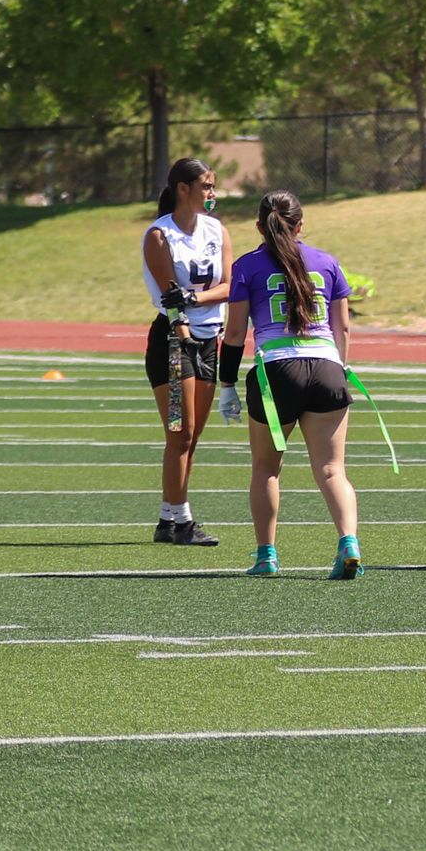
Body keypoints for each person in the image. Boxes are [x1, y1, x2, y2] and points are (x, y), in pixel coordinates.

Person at [220, 189, 364, 579]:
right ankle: (348, 542)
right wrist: (340, 367)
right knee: (333, 469)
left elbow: (234, 332)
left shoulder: (247, 266)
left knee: (266, 468)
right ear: (301, 225)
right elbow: (343, 328)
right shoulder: (328, 262)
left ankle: (267, 556)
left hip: (276, 371)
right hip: (327, 366)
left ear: (258, 226)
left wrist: (227, 384)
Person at [142, 158, 230, 547]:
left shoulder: (217, 230)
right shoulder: (159, 235)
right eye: (206, 187)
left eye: (213, 187)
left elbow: (230, 285)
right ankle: (180, 521)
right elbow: (169, 297)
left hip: (211, 340)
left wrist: (196, 297)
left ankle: (169, 519)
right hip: (175, 343)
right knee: (181, 433)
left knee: (192, 438)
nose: (212, 194)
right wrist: (183, 324)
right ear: (184, 189)